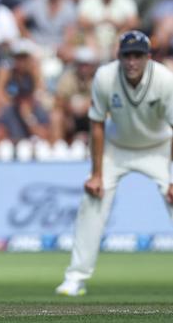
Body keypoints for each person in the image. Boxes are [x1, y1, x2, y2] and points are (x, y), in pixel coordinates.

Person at [56, 31, 173, 296]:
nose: (132, 61)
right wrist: (96, 174)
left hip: (159, 149)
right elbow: (97, 123)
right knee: (92, 201)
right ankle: (75, 277)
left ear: (148, 57)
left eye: (138, 56)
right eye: (127, 55)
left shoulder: (165, 80)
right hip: (116, 148)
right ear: (118, 56)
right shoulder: (106, 77)